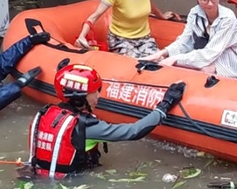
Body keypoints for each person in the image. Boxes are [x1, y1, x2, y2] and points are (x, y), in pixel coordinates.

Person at [29, 64, 186, 179]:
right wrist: (164, 106)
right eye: (94, 92)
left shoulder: (45, 113)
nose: (98, 96)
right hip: (71, 182)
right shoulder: (85, 126)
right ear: (79, 97)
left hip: (39, 175)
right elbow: (133, 132)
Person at [145, 0, 237, 82]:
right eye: (204, 0)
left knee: (204, 69)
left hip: (232, 66)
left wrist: (175, 59)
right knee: (171, 61)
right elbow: (184, 41)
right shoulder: (194, 13)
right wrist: (163, 53)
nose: (210, 4)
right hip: (209, 59)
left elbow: (210, 53)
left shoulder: (227, 18)